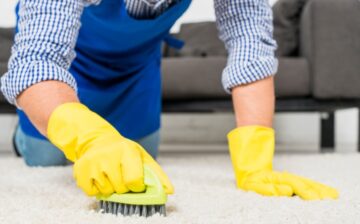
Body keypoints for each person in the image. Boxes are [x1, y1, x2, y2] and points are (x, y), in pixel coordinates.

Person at [1, 0, 338, 200]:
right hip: (67, 64)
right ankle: (24, 136)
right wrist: (88, 139)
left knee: (138, 164)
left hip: (135, 69)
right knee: (47, 157)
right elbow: (36, 63)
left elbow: (251, 45)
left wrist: (255, 163)